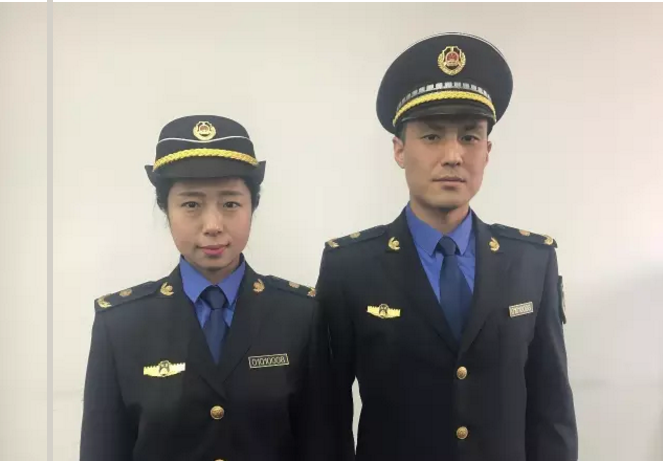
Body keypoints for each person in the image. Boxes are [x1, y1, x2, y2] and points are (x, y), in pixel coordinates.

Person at [316, 33, 578, 461]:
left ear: (487, 151)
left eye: (470, 137)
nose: (454, 155)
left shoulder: (531, 262)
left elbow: (552, 410)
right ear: (399, 150)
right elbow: (327, 416)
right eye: (433, 136)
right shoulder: (351, 268)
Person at [80, 115, 335, 461]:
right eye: (191, 204)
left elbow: (323, 445)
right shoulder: (120, 326)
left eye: (230, 203)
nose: (213, 225)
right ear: (166, 210)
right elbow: (102, 449)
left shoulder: (300, 316)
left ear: (252, 207)